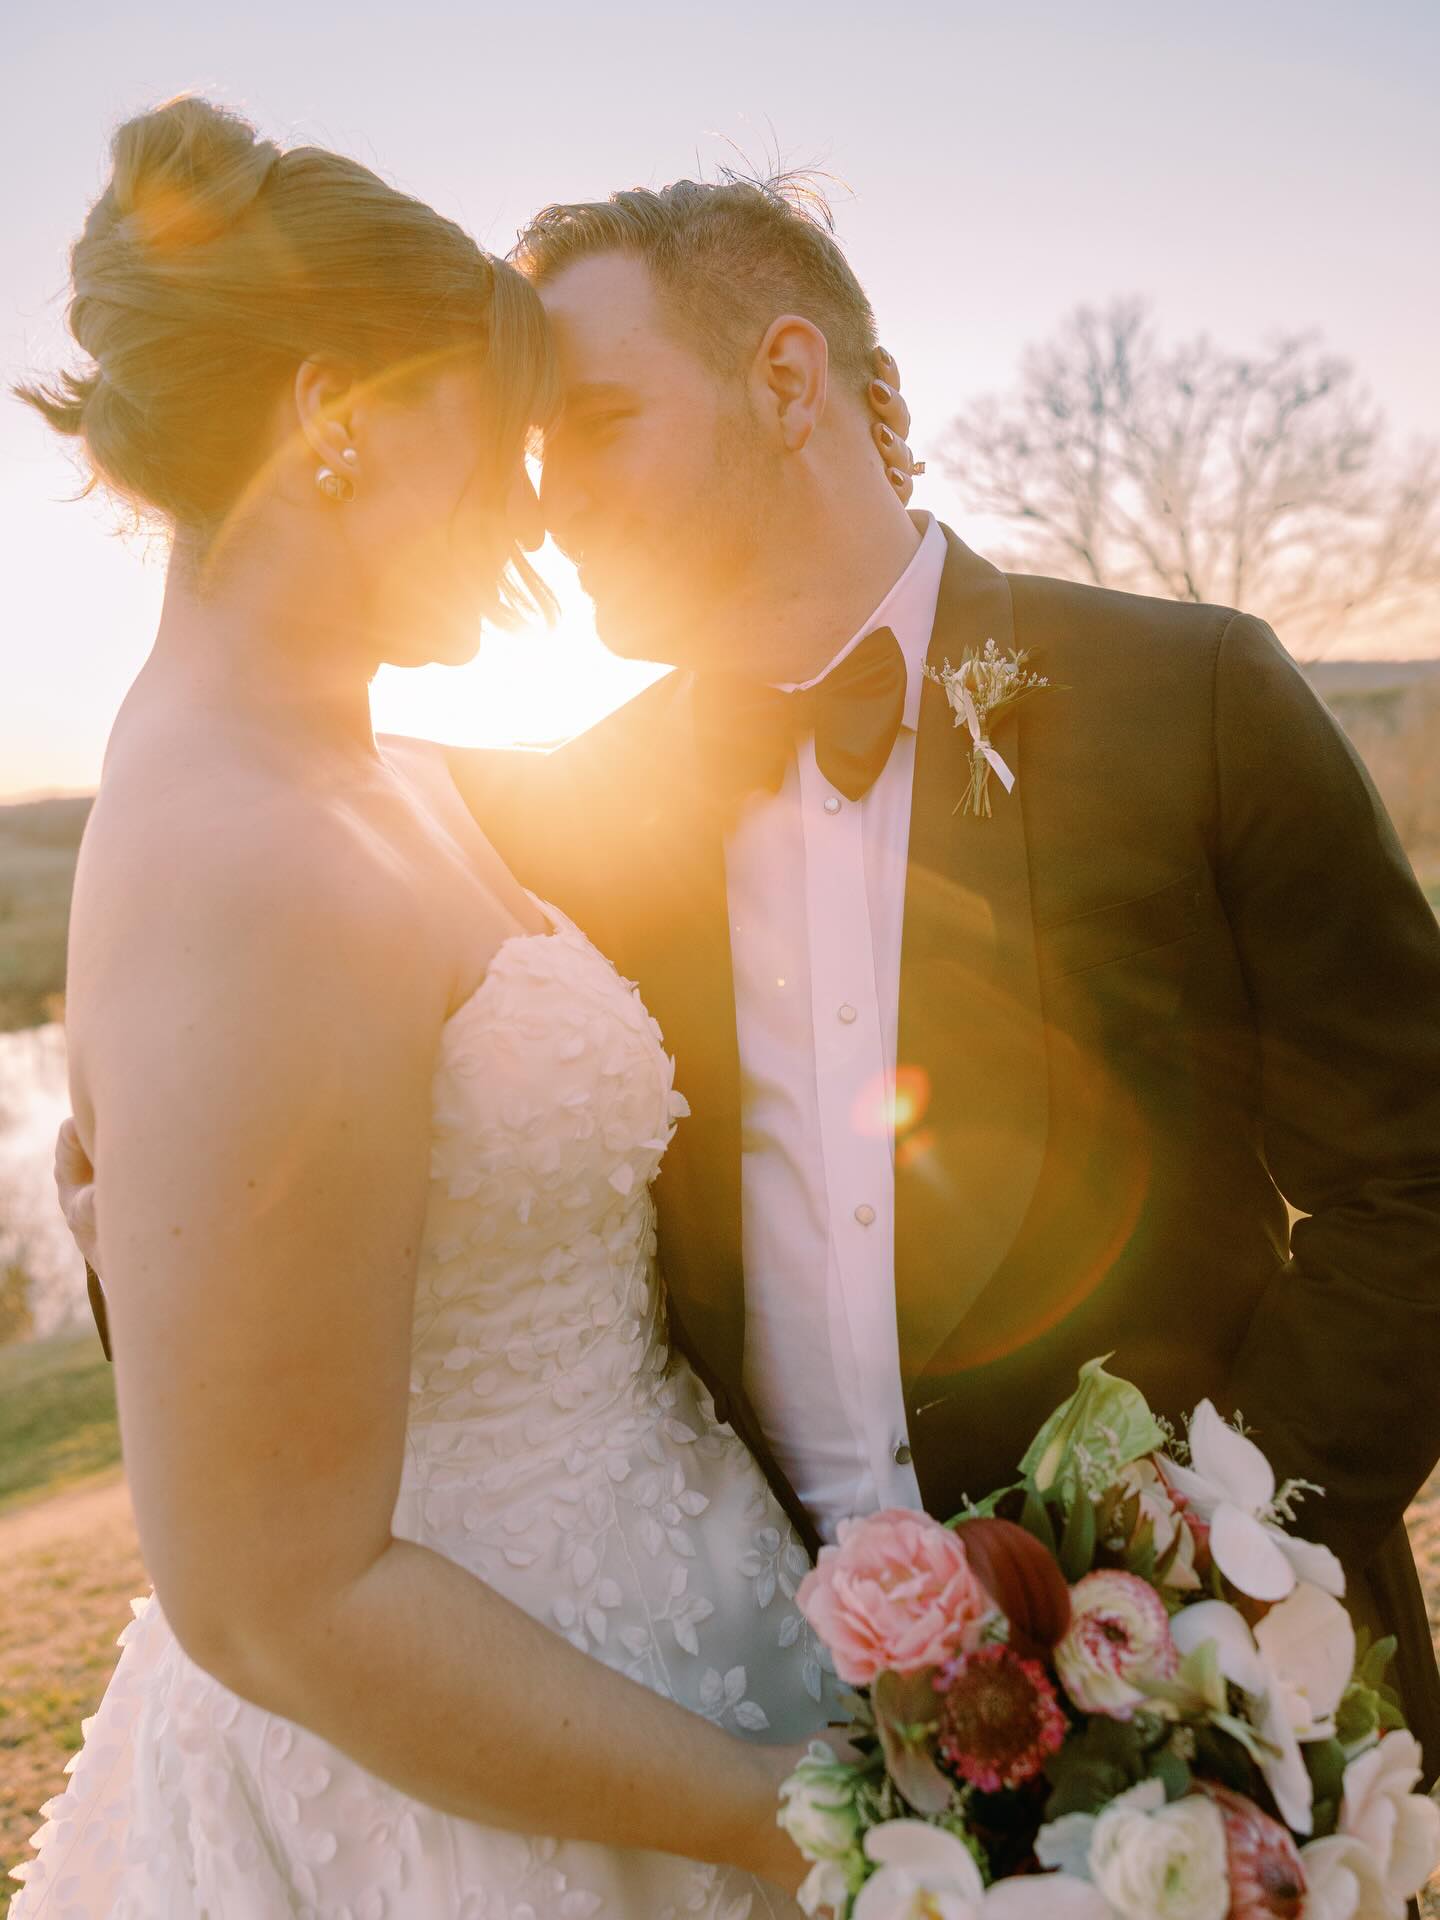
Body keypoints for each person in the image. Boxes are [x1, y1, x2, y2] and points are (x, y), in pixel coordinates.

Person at [11, 99, 921, 1917]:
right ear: (333, 420)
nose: (539, 504)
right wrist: (781, 1814)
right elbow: (273, 1599)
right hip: (481, 1804)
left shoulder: (391, 769)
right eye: (498, 440)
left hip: (677, 1628)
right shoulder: (235, 859)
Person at [408, 176, 1440, 1773]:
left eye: (598, 423)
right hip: (800, 1733)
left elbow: (1414, 1183)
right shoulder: (564, 819)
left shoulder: (1197, 701)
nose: (550, 501)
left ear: (787, 379)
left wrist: (1222, 1550)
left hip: (1229, 1707)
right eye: (535, 457)